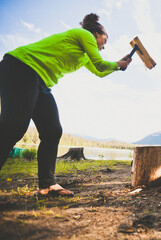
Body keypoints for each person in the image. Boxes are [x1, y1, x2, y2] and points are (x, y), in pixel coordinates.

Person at [0, 13, 132, 197]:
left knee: (53, 130)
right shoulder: (84, 34)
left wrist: (119, 64)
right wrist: (118, 64)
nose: (104, 45)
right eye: (105, 40)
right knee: (13, 126)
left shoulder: (86, 55)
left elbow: (100, 71)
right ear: (96, 33)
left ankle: (48, 185)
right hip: (21, 67)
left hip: (42, 82)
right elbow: (101, 65)